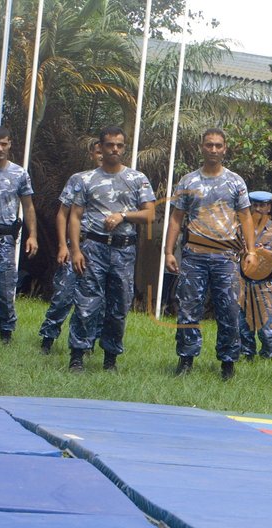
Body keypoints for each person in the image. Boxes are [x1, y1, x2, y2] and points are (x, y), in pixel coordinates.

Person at [165, 128, 256, 380]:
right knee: (188, 309)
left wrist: (251, 250)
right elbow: (176, 219)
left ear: (225, 148)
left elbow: (246, 217)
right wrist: (168, 251)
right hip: (194, 255)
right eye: (209, 145)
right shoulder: (188, 181)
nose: (213, 150)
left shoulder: (235, 182)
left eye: (218, 145)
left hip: (226, 256)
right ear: (201, 147)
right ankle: (185, 360)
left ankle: (228, 363)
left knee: (228, 310)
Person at [68, 126, 155, 372]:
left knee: (119, 306)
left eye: (119, 145)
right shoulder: (86, 179)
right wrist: (76, 250)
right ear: (101, 147)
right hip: (94, 247)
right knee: (87, 302)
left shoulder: (137, 179)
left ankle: (110, 358)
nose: (114, 149)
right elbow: (75, 216)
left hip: (123, 251)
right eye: (109, 145)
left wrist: (123, 216)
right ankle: (77, 355)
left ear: (124, 148)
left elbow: (150, 214)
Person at [39, 140, 103, 354]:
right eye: (98, 152)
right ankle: (48, 338)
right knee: (63, 295)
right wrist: (62, 246)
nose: (103, 155)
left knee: (95, 301)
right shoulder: (79, 179)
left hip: (102, 250)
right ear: (92, 154)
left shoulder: (120, 181)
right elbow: (62, 214)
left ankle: (88, 344)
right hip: (78, 244)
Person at [0, 126, 38, 344]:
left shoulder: (19, 174)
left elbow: (29, 207)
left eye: (4, 143)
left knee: (5, 286)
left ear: (10, 144)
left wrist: (32, 236)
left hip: (5, 238)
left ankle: (6, 331)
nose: (0, 148)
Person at [238, 190, 272, 361]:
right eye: (255, 205)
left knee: (266, 328)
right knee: (243, 325)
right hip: (243, 282)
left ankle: (268, 356)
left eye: (262, 205)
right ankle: (246, 356)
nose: (258, 208)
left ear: (269, 207)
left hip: (266, 284)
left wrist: (265, 252)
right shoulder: (242, 227)